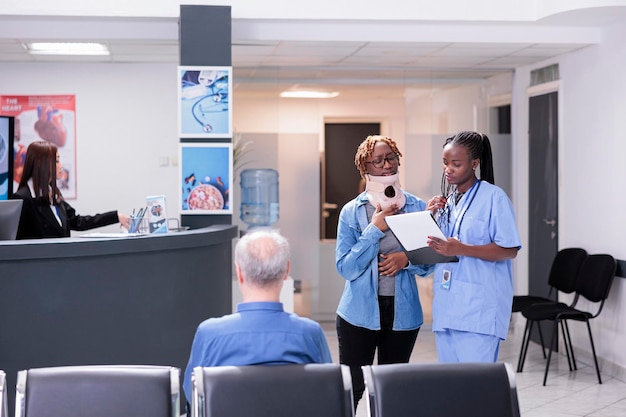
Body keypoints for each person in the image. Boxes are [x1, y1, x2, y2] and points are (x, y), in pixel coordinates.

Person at [335, 134, 434, 410]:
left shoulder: (415, 206)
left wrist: (406, 259)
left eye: (391, 157)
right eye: (377, 160)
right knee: (353, 388)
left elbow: (428, 265)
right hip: (358, 313)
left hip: (403, 314)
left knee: (392, 390)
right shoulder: (351, 212)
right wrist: (374, 229)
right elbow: (346, 267)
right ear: (366, 168)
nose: (386, 165)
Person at [182, 230, 332, 404]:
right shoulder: (310, 334)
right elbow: (328, 395)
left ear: (239, 273)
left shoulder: (210, 335)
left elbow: (193, 399)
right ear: (286, 271)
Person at [426, 131, 521, 363]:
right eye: (445, 163)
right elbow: (436, 248)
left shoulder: (494, 198)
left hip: (479, 310)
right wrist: (428, 217)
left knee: (476, 387)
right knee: (451, 387)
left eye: (456, 164)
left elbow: (509, 249)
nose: (448, 169)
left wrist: (461, 248)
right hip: (448, 307)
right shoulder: (448, 203)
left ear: (474, 163)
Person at [11, 140, 130, 239]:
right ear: (42, 164)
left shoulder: (53, 194)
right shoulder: (22, 199)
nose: (61, 166)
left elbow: (77, 221)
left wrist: (115, 216)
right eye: (57, 160)